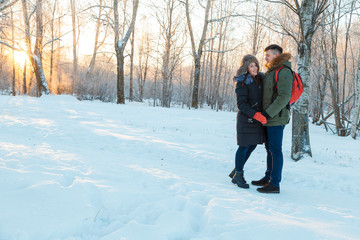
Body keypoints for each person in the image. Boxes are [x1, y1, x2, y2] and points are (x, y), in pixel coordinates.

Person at [252, 44, 293, 194]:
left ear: (276, 55)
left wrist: (268, 114)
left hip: (276, 118)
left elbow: (284, 97)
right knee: (269, 150)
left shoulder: (284, 72)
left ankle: (275, 184)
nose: (265, 57)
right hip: (268, 118)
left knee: (275, 150)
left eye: (268, 55)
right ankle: (268, 178)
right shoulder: (271, 71)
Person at [230, 54, 267, 189]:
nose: (255, 67)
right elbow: (242, 104)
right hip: (246, 120)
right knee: (244, 146)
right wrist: (256, 114)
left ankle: (236, 170)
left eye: (256, 64)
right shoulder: (242, 82)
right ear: (246, 67)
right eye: (251, 65)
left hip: (256, 120)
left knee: (252, 145)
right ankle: (238, 175)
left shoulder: (259, 80)